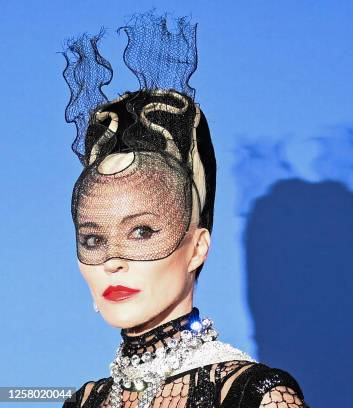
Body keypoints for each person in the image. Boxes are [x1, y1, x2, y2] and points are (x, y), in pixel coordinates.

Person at [61, 12, 309, 408]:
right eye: (93, 238)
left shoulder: (254, 395)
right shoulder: (85, 401)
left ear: (197, 247)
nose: (113, 261)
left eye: (142, 231)